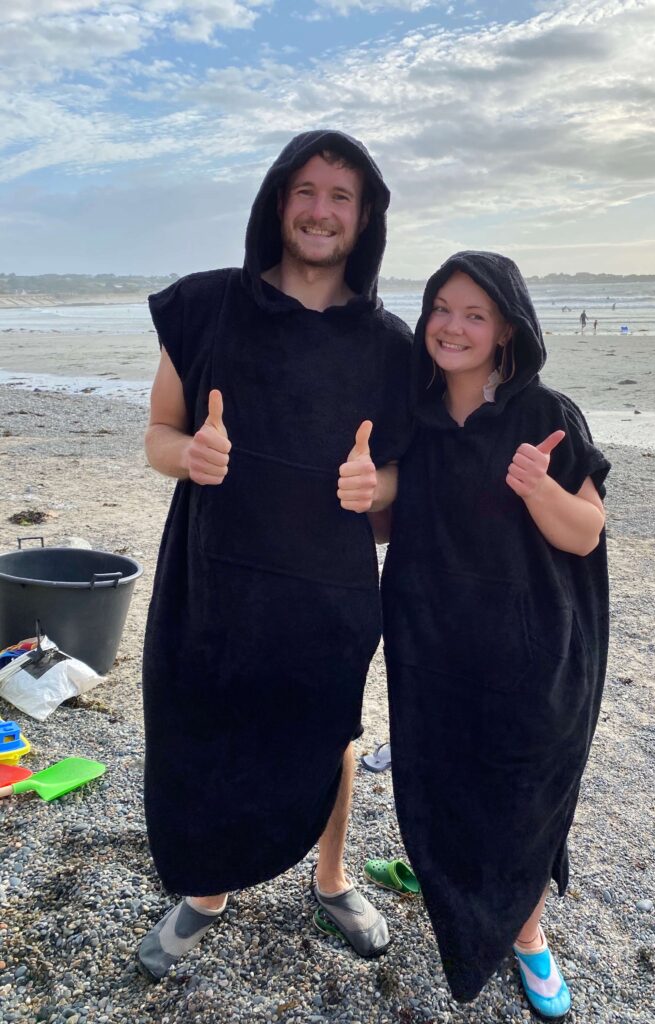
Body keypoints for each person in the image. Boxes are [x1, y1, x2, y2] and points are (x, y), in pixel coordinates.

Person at [137, 130, 412, 980]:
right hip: (213, 570)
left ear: (364, 219)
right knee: (201, 720)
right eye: (307, 190)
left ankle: (330, 878)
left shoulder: (389, 344)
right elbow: (157, 433)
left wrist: (378, 485)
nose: (321, 210)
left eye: (341, 196)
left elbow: (407, 479)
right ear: (278, 200)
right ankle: (208, 886)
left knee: (327, 729)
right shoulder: (207, 306)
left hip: (325, 585)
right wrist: (192, 457)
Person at [378, 252, 609, 1016]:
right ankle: (447, 883)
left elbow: (585, 534)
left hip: (532, 648)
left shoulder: (548, 414)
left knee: (522, 794)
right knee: (439, 778)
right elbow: (391, 521)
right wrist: (361, 492)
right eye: (442, 307)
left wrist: (541, 490)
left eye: (475, 313)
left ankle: (528, 934)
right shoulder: (412, 416)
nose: (453, 325)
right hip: (430, 644)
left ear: (507, 329)